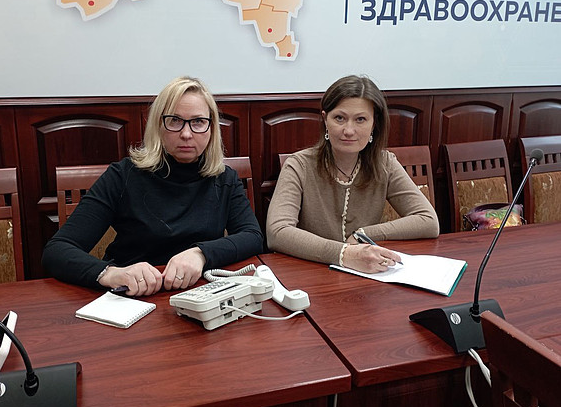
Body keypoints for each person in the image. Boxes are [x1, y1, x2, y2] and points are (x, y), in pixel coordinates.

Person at [42, 76, 263, 296]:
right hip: (133, 296)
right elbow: (57, 250)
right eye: (174, 120)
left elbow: (252, 236)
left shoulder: (224, 178)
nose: (186, 134)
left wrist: (201, 254)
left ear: (211, 128)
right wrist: (110, 274)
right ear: (158, 125)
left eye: (198, 122)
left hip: (199, 294)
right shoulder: (123, 175)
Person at [266, 75, 439, 273]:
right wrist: (344, 254)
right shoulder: (299, 165)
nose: (349, 130)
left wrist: (363, 234)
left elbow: (428, 221)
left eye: (360, 120)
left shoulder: (385, 163)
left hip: (367, 274)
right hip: (311, 273)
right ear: (325, 120)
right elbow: (277, 232)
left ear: (374, 124)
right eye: (339, 118)